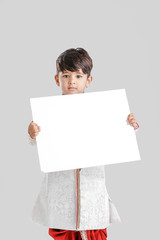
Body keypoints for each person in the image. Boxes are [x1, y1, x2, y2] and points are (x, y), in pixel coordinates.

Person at [27, 48, 139, 240]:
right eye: (66, 75)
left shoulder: (102, 110)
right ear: (57, 79)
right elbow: (37, 142)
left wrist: (128, 125)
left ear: (88, 80)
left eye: (78, 76)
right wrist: (33, 134)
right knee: (64, 230)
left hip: (92, 189)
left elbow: (116, 137)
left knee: (93, 231)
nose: (72, 81)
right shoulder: (48, 113)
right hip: (61, 192)